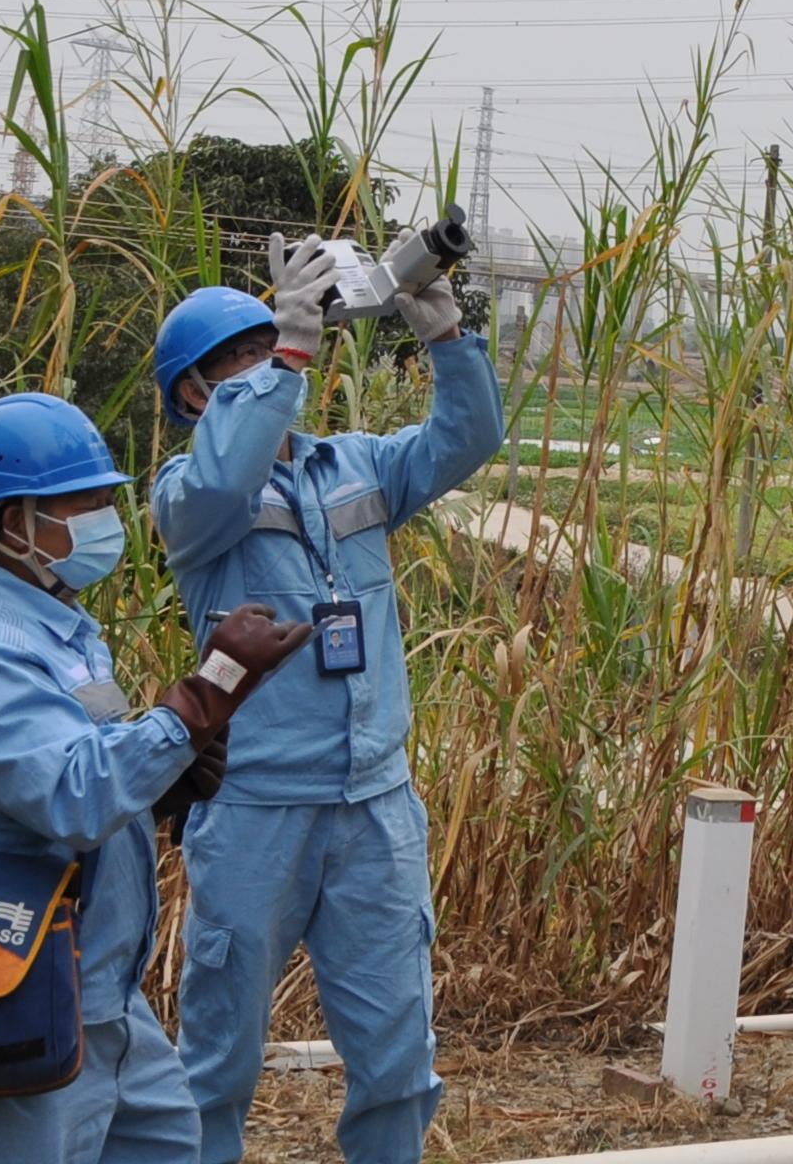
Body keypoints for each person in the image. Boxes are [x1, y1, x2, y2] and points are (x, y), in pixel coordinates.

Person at [152, 228, 502, 1164]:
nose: (270, 368)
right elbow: (228, 469)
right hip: (257, 808)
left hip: (375, 810)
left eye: (271, 350)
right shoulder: (190, 495)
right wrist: (295, 343)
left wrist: (447, 340)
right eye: (239, 363)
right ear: (194, 396)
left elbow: (469, 439)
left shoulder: (356, 467)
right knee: (217, 1059)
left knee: (397, 1060)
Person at [0, 392, 308, 1164]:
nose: (104, 519)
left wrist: (157, 787)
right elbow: (70, 794)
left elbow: (82, 775)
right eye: (80, 502)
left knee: (166, 1142)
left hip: (101, 993)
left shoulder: (66, 634)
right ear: (13, 523)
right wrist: (204, 693)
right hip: (8, 989)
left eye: (105, 499)